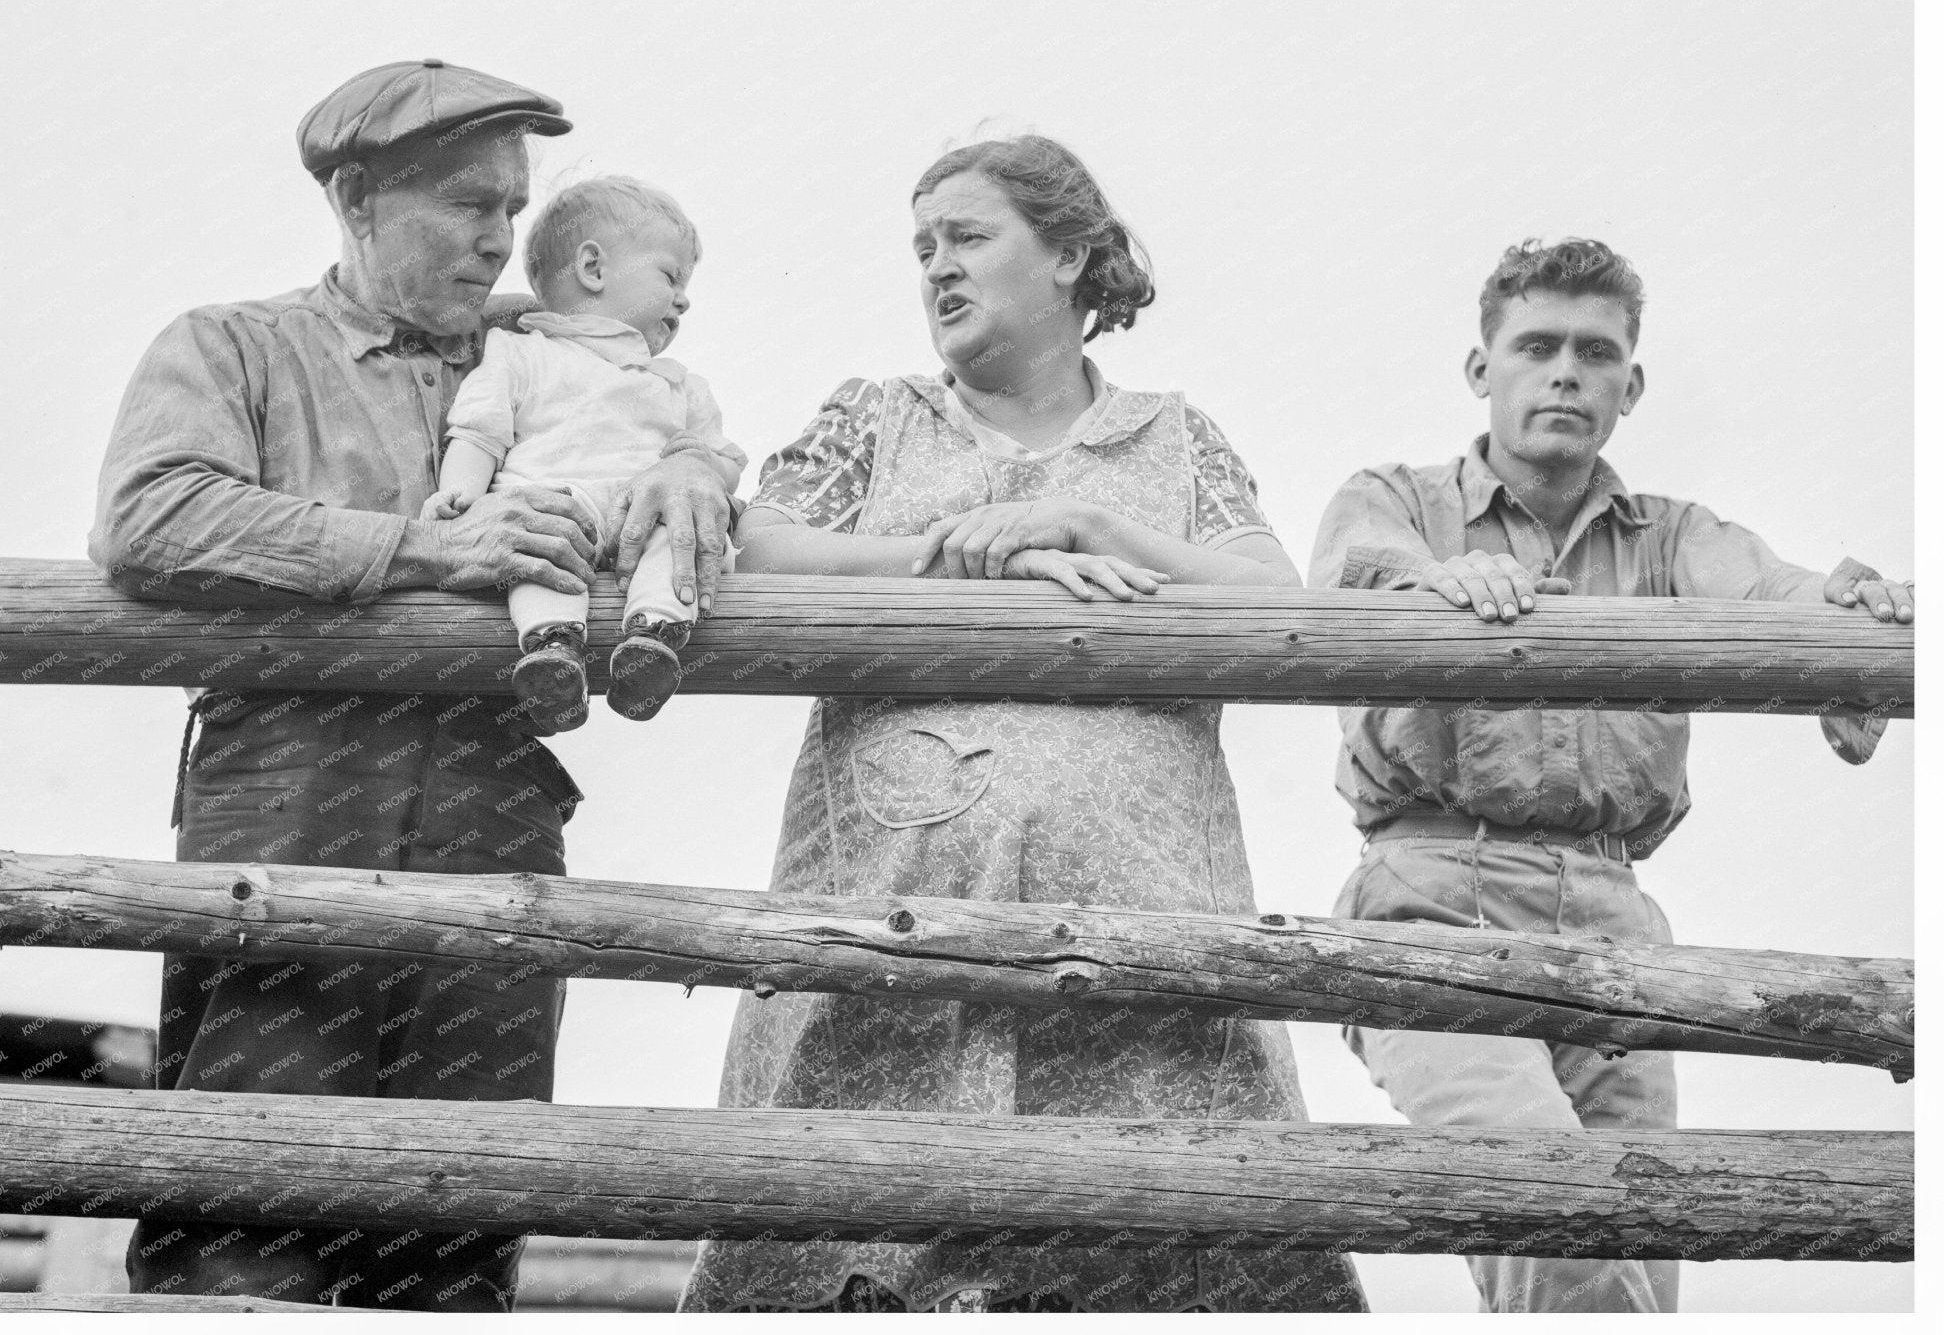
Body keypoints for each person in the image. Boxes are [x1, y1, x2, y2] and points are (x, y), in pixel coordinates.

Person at [676, 135, 1366, 1314]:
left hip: (1140, 952)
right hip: (886, 940)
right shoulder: (872, 418)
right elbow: (762, 550)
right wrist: (950, 559)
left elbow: (1268, 592)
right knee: (847, 1237)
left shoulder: (1173, 436)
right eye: (921, 248)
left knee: (1158, 1249)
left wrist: (1092, 526)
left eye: (966, 236)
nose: (936, 266)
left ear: (1068, 256)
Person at [88, 59, 738, 1310]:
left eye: (512, 208)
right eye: (465, 204)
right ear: (355, 199)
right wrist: (419, 549)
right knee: (246, 1192)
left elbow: (683, 443)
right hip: (287, 800)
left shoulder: (549, 350)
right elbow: (149, 515)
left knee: (460, 1211)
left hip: (491, 807)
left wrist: (695, 470)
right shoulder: (235, 345)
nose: (498, 239)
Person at [1308, 237, 1913, 1315]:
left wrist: (1847, 611)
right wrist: (1441, 578)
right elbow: (1357, 570)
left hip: (1612, 923)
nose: (1564, 374)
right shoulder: (1396, 500)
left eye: (1595, 354)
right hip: (1430, 905)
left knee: (1640, 1253)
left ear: (1629, 387)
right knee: (1551, 1221)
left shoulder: (1670, 537)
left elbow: (1772, 589)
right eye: (1535, 346)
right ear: (1480, 369)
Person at [424, 176, 747, 729]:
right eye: (670, 276)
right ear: (593, 268)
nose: (685, 298)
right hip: (555, 506)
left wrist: (701, 466)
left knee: (682, 532)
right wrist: (459, 502)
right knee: (535, 536)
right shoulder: (520, 354)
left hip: (641, 514)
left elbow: (721, 465)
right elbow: (479, 434)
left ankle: (653, 637)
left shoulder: (680, 385)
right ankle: (553, 651)